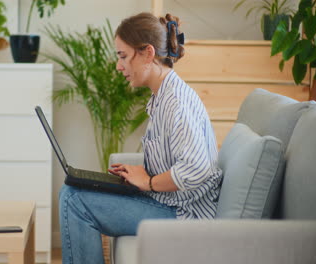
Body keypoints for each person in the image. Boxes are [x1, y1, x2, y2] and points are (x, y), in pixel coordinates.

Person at [58, 12, 223, 264]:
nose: (118, 65)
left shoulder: (176, 102)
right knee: (72, 189)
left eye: (123, 56)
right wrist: (141, 173)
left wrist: (149, 181)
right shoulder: (163, 95)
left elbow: (197, 168)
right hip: (168, 203)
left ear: (147, 53)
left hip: (182, 214)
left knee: (74, 201)